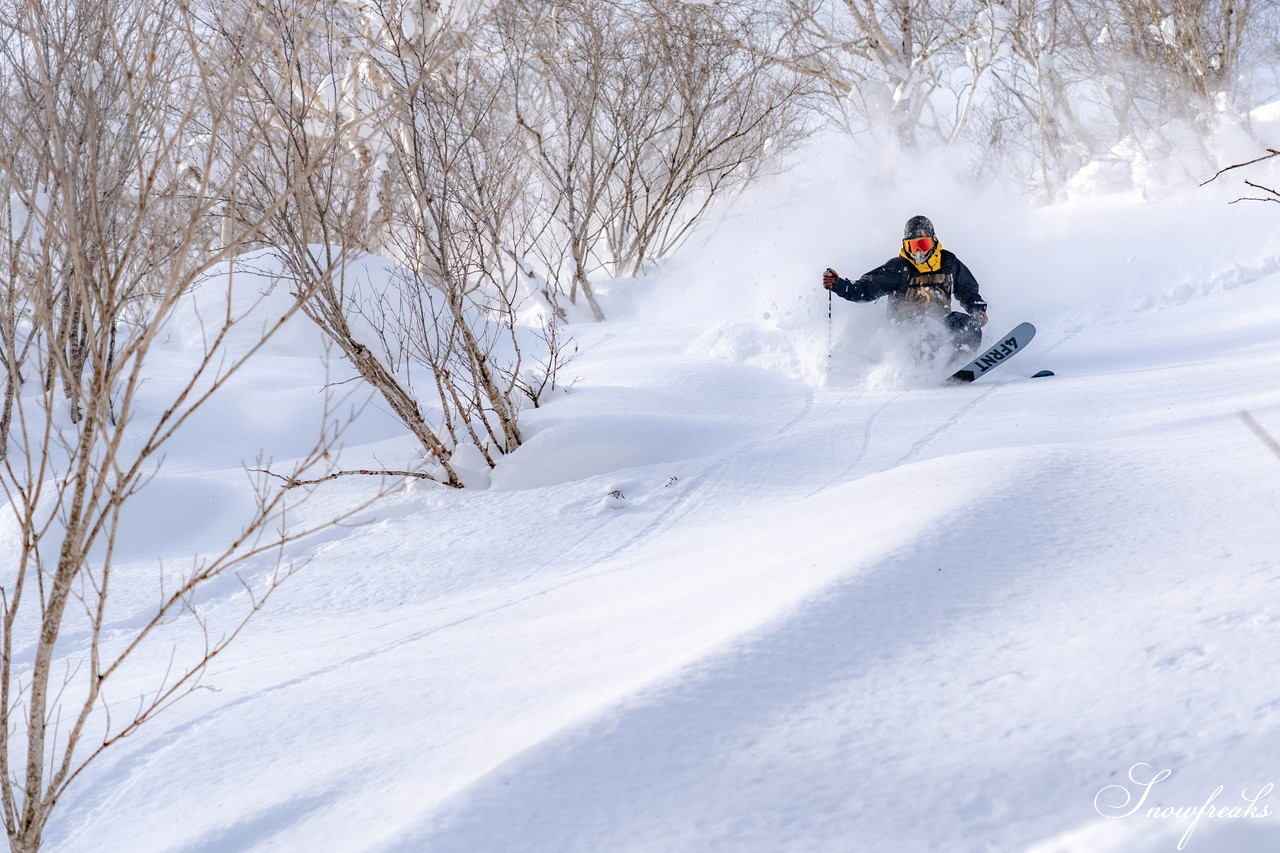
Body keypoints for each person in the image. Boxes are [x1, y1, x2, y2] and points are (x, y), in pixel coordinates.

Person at [823, 215, 988, 356]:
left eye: (922, 245)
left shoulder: (949, 263)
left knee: (969, 326)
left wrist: (977, 309)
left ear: (934, 240)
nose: (918, 252)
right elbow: (865, 289)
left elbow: (968, 290)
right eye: (912, 246)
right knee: (926, 331)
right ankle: (927, 367)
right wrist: (839, 285)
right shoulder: (898, 268)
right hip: (908, 331)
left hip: (941, 323)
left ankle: (957, 364)